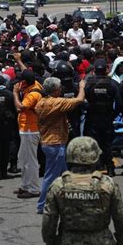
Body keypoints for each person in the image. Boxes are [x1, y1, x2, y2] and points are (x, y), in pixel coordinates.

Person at [35, 77, 86, 214]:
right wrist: (82, 86)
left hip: (49, 142)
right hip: (55, 143)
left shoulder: (40, 103)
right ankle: (42, 204)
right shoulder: (56, 103)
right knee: (50, 176)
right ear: (56, 90)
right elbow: (79, 100)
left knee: (65, 175)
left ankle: (70, 203)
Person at [84, 59, 121, 177]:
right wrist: (113, 115)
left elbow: (81, 99)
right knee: (107, 144)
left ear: (94, 70)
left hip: (92, 118)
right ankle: (110, 168)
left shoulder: (88, 82)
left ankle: (93, 169)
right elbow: (119, 102)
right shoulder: (112, 83)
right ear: (106, 70)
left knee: (92, 144)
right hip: (106, 117)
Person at [12, 70, 43, 199]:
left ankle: (34, 189)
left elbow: (20, 107)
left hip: (31, 130)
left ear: (24, 82)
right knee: (23, 158)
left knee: (30, 160)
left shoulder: (33, 94)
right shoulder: (35, 84)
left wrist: (15, 93)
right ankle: (25, 185)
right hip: (26, 129)